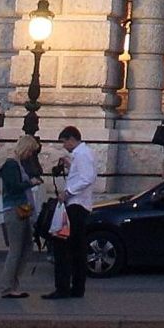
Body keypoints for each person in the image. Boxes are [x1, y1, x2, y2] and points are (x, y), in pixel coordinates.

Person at [45, 125, 98, 300]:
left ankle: (63, 288)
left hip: (75, 205)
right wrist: (70, 166)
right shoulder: (85, 154)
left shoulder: (82, 155)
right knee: (77, 248)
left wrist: (67, 192)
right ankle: (77, 288)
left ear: (72, 139)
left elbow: (86, 178)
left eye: (64, 142)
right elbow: (84, 175)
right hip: (81, 205)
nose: (64, 146)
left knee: (63, 247)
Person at [0, 134, 40, 298]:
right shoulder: (11, 164)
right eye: (30, 151)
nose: (30, 155)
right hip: (14, 210)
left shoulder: (18, 164)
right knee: (16, 249)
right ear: (25, 148)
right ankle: (8, 287)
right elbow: (14, 187)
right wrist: (30, 183)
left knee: (27, 246)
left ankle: (13, 284)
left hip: (22, 209)